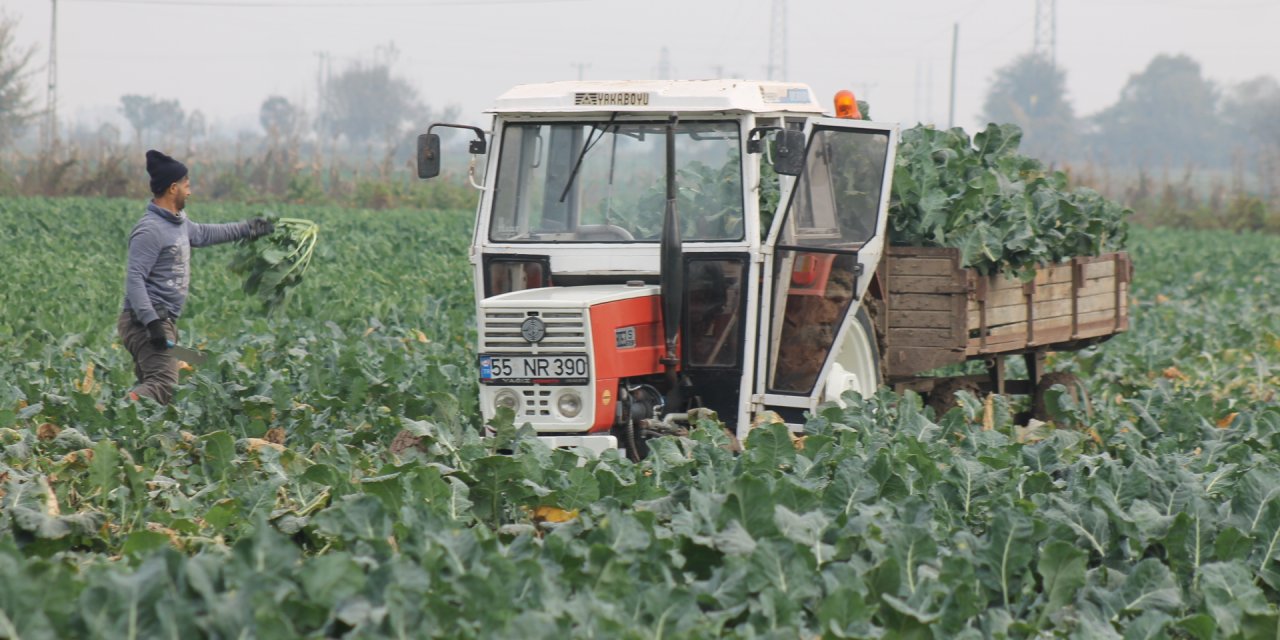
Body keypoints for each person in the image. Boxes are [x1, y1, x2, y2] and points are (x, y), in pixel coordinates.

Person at [117, 150, 275, 404]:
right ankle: (115, 413)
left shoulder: (178, 223)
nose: (189, 192)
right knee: (163, 385)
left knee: (163, 383)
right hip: (145, 323)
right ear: (172, 188)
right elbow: (135, 280)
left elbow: (203, 234)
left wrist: (248, 229)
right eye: (186, 186)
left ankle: (134, 433)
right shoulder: (150, 230)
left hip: (162, 321)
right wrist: (152, 323)